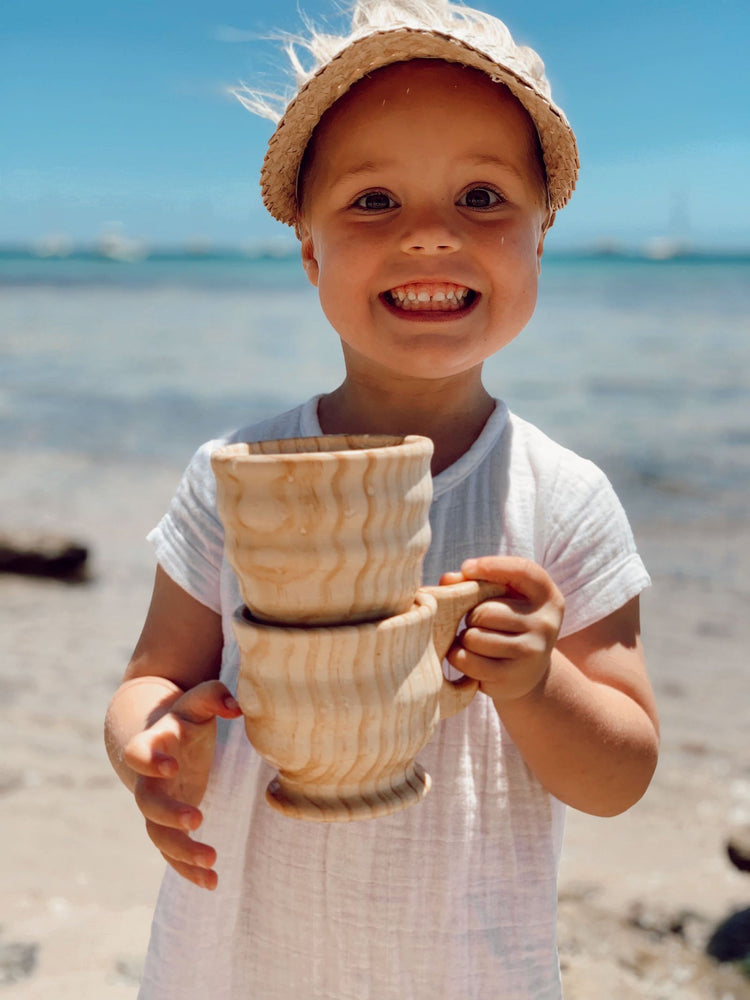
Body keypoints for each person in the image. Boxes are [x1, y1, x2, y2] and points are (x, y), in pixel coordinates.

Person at [104, 1, 659, 996]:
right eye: (373, 201)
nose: (431, 235)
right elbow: (152, 677)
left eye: (482, 196)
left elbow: (620, 776)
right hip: (239, 961)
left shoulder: (563, 499)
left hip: (462, 966)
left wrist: (537, 684)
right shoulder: (235, 474)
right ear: (310, 252)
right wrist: (150, 745)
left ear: (539, 241)